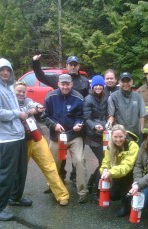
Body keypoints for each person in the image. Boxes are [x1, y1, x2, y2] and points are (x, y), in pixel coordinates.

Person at [0, 58, 32, 221]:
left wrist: (27, 110)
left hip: (18, 135)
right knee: (6, 174)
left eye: (8, 70)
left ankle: (15, 197)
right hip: (6, 139)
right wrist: (18, 114)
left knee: (21, 170)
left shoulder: (9, 87)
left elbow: (17, 106)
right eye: (1, 70)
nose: (5, 72)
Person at [32, 54, 90, 184]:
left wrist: (82, 123)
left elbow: (87, 104)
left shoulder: (84, 81)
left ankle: (75, 178)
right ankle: (59, 178)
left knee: (78, 158)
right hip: (60, 128)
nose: (73, 67)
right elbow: (41, 76)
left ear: (78, 66)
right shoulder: (57, 79)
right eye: (71, 64)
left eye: (75, 64)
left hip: (76, 127)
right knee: (59, 157)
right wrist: (35, 63)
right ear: (67, 66)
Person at [14, 81, 70, 206]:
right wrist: (30, 112)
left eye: (23, 91)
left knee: (49, 165)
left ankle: (62, 195)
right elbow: (16, 115)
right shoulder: (10, 103)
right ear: (13, 91)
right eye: (18, 91)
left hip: (37, 138)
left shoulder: (28, 101)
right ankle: (14, 196)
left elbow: (35, 105)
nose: (21, 93)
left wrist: (38, 107)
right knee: (19, 170)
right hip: (21, 141)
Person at [43, 73, 89, 203]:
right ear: (58, 84)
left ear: (71, 84)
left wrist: (78, 124)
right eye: (62, 84)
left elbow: (81, 116)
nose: (65, 86)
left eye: (67, 84)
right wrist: (54, 125)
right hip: (57, 136)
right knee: (52, 163)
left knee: (80, 160)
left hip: (74, 136)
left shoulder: (78, 97)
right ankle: (52, 186)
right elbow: (45, 116)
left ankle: (83, 191)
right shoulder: (50, 97)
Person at [100, 124, 139, 217]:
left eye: (121, 136)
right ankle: (123, 194)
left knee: (126, 188)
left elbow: (127, 165)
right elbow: (106, 161)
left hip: (132, 173)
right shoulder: (110, 145)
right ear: (112, 136)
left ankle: (127, 206)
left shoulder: (133, 146)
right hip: (118, 172)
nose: (118, 139)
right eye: (115, 137)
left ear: (125, 135)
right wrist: (105, 170)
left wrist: (111, 172)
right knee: (113, 195)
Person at [83, 75, 108, 196]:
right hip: (93, 136)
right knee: (103, 161)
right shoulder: (88, 99)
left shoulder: (106, 97)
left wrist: (107, 123)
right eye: (96, 85)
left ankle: (91, 183)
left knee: (103, 161)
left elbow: (107, 115)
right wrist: (94, 126)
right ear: (92, 87)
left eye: (100, 85)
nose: (98, 87)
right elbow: (87, 118)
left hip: (104, 134)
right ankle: (97, 190)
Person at [108, 72, 147, 144]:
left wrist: (141, 131)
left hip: (135, 135)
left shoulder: (138, 97)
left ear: (132, 82)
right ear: (119, 82)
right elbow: (111, 116)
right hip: (119, 136)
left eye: (128, 81)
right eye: (123, 81)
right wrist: (109, 124)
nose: (125, 84)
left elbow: (142, 115)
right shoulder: (113, 97)